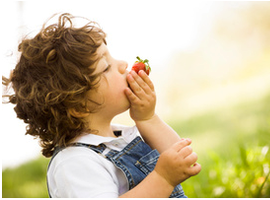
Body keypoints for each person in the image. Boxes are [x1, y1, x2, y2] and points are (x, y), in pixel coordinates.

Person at [2, 13, 201, 198]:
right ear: (78, 106)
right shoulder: (74, 163)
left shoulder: (120, 136)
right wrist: (162, 179)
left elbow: (183, 156)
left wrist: (147, 118)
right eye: (106, 67)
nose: (123, 64)